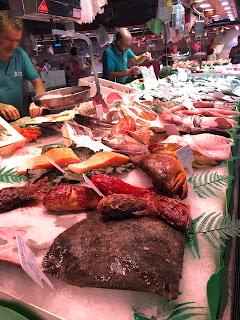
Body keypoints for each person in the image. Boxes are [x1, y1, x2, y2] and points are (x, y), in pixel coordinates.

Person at [0, 10, 46, 121]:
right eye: (9, 40)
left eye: (16, 41)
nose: (13, 45)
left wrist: (37, 101)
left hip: (15, 118)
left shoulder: (19, 53)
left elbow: (38, 82)